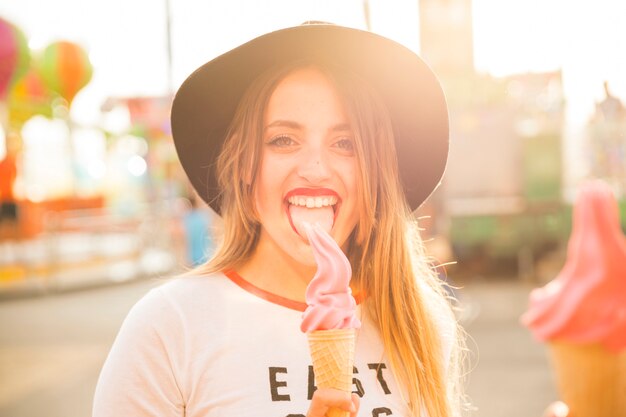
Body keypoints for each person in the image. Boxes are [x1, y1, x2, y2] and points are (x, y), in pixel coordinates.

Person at [93, 22, 466, 417]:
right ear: (243, 165)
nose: (315, 168)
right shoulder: (170, 326)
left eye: (346, 144)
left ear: (377, 174)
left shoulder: (419, 323)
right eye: (283, 140)